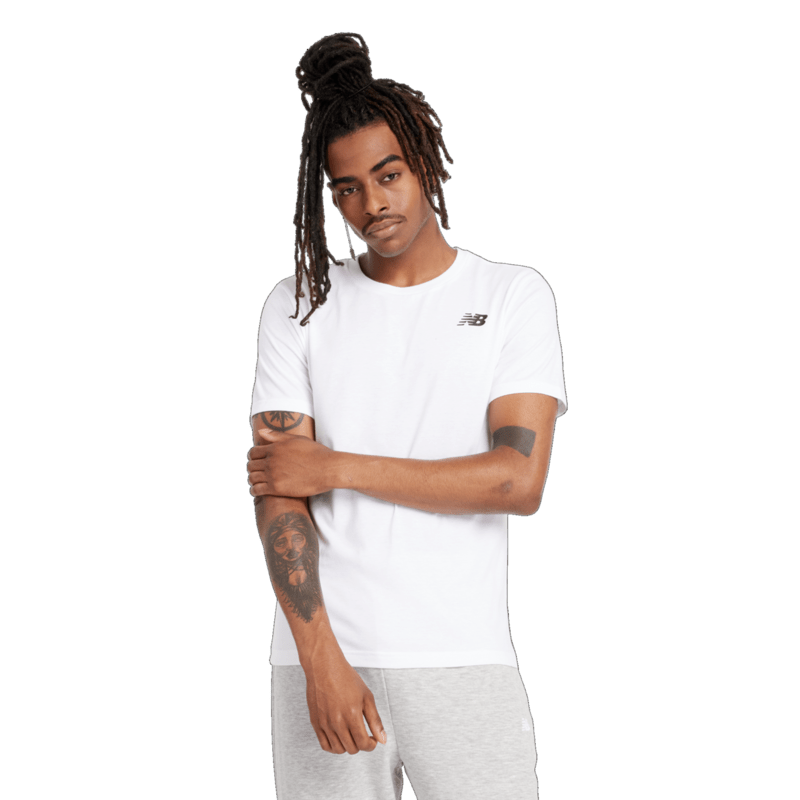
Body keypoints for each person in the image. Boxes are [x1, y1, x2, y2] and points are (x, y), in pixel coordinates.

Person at [246, 31, 568, 800]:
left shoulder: (511, 296)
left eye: (388, 174)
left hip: (463, 656)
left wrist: (335, 466)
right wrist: (320, 661)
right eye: (347, 188)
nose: (373, 204)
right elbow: (280, 491)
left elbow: (517, 481)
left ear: (427, 163)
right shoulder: (299, 304)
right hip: (321, 661)